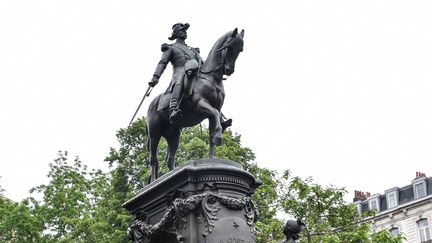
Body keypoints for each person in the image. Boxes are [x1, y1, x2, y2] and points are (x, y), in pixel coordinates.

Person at [149, 23, 202, 123]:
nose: (185, 33)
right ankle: (173, 108)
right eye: (182, 31)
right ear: (176, 33)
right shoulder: (171, 48)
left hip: (194, 70)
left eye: (185, 31)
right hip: (179, 70)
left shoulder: (192, 50)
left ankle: (219, 115)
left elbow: (202, 62)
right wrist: (156, 76)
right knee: (179, 81)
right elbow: (162, 63)